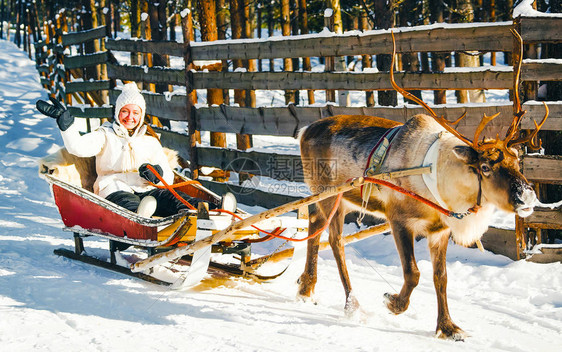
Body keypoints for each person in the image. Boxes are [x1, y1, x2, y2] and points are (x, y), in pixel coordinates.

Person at [36, 83, 234, 218]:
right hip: (113, 188)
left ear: (141, 115)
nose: (130, 117)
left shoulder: (149, 140)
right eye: (125, 111)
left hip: (146, 188)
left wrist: (156, 173)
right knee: (127, 202)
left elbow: (168, 176)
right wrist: (67, 126)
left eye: (135, 112)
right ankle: (142, 219)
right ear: (117, 112)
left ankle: (213, 210)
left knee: (171, 198)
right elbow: (77, 147)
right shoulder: (105, 135)